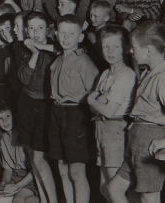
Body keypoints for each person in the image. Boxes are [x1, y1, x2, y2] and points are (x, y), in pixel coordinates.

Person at [108, 21, 165, 203]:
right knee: (114, 189)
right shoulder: (149, 73)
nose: (130, 51)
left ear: (149, 50)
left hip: (150, 140)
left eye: (134, 47)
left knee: (149, 197)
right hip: (136, 140)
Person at [49, 14, 99, 203]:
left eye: (71, 34)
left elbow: (95, 92)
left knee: (76, 170)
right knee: (62, 167)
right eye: (62, 33)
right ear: (56, 34)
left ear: (80, 37)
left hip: (76, 115)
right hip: (57, 113)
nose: (66, 38)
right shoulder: (58, 60)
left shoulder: (84, 61)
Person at [87, 25, 135, 202]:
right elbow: (95, 109)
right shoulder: (106, 74)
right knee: (104, 187)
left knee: (115, 189)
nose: (110, 51)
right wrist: (97, 102)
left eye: (115, 46)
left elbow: (108, 110)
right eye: (106, 46)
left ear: (124, 48)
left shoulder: (126, 75)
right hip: (101, 130)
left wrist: (93, 99)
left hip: (116, 131)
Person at [17, 12, 58, 203]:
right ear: (26, 30)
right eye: (31, 28)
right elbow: (24, 78)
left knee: (40, 158)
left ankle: (52, 200)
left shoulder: (55, 47)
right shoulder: (24, 49)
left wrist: (40, 48)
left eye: (40, 28)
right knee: (32, 158)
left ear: (47, 29)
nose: (35, 32)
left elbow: (63, 49)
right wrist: (34, 53)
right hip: (27, 104)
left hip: (45, 106)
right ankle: (43, 198)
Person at [0, 105, 39, 203]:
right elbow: (8, 169)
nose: (5, 122)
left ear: (14, 116)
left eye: (7, 116)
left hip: (30, 177)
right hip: (14, 176)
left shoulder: (24, 136)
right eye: (0, 118)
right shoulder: (2, 138)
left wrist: (17, 186)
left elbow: (36, 169)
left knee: (18, 200)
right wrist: (3, 182)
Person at [85, 0, 113, 71]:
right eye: (91, 15)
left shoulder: (108, 33)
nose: (92, 18)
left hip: (102, 68)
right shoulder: (92, 30)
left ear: (106, 18)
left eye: (95, 16)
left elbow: (106, 56)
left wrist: (94, 42)